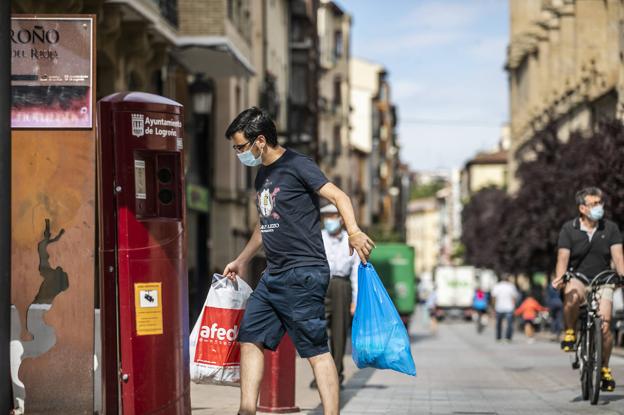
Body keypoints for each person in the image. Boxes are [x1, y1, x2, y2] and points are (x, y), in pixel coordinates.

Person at [221, 108, 375, 415]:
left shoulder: (298, 164)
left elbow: (340, 196)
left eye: (240, 147)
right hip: (274, 274)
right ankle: (247, 410)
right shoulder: (262, 175)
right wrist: (241, 259)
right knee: (250, 336)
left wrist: (354, 231)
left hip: (304, 272)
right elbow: (264, 224)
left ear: (260, 141)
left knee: (316, 350)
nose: (238, 153)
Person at [552, 187, 624, 392]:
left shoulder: (610, 228)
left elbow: (618, 256)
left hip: (603, 278)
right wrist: (560, 278)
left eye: (600, 203)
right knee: (572, 296)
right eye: (594, 204)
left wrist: (622, 274)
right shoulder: (569, 228)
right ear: (582, 208)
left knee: (605, 325)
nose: (599, 207)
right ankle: (569, 332)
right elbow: (563, 258)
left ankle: (604, 368)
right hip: (579, 277)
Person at [308, 204, 359, 390]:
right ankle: (319, 375)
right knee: (316, 331)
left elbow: (355, 273)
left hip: (341, 286)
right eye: (326, 216)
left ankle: (336, 374)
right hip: (319, 284)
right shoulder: (318, 238)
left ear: (341, 218)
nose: (329, 220)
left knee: (339, 332)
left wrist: (355, 300)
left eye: (333, 216)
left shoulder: (350, 239)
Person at [491, 276, 519, 342]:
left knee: (498, 323)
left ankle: (498, 338)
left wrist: (493, 306)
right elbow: (514, 297)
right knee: (509, 324)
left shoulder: (497, 286)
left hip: (499, 307)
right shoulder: (511, 286)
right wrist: (514, 306)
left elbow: (493, 297)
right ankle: (508, 338)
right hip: (509, 307)